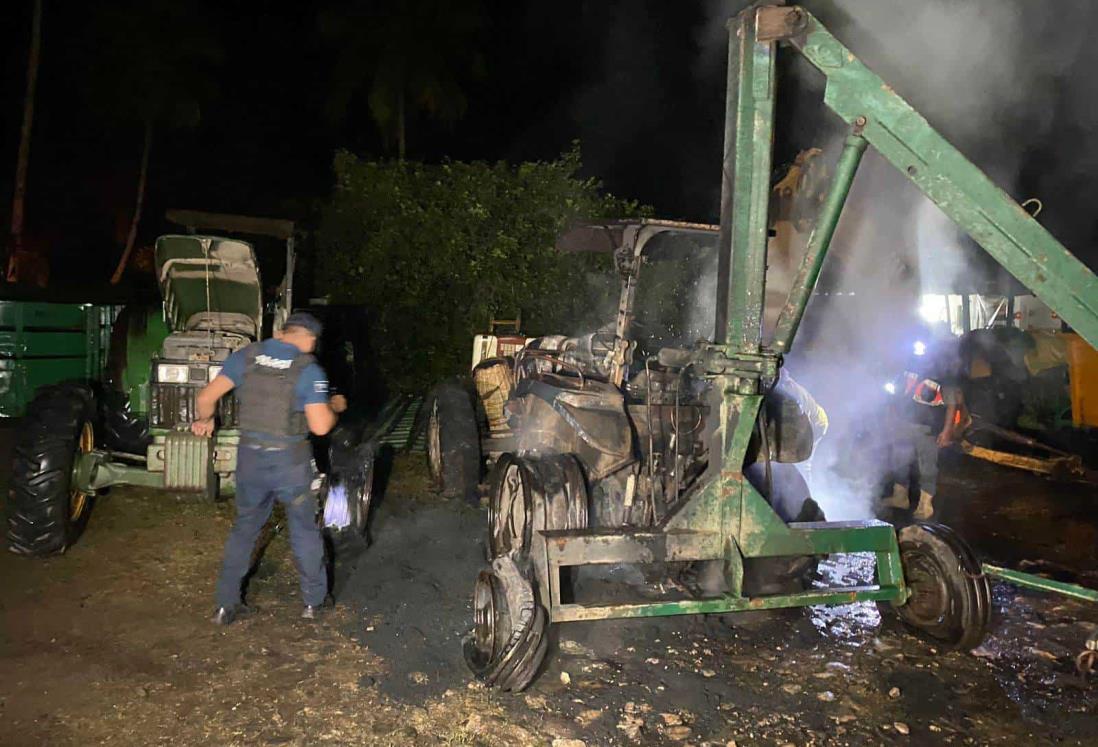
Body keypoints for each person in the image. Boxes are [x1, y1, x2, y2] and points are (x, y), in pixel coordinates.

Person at [192, 312, 347, 624]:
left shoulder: (248, 356)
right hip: (288, 459)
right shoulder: (308, 369)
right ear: (309, 339)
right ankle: (314, 603)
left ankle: (226, 605)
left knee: (245, 527)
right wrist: (335, 406)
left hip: (249, 456)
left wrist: (206, 419)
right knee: (303, 529)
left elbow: (206, 396)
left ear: (283, 332)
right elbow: (319, 426)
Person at [881, 339, 968, 520]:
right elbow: (894, 395)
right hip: (904, 425)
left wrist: (946, 431)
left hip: (927, 429)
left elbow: (952, 405)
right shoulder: (907, 370)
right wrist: (891, 419)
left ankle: (925, 505)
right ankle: (900, 497)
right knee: (900, 461)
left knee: (927, 466)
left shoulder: (942, 375)